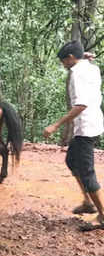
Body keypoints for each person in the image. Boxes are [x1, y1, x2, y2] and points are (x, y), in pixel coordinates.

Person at [43, 40, 104, 227]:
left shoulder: (78, 74)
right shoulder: (90, 67)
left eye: (64, 61)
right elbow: (86, 61)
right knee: (71, 161)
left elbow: (81, 104)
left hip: (86, 127)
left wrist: (55, 125)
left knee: (87, 171)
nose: (63, 65)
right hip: (92, 123)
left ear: (70, 58)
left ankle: (102, 215)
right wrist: (84, 56)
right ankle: (87, 202)